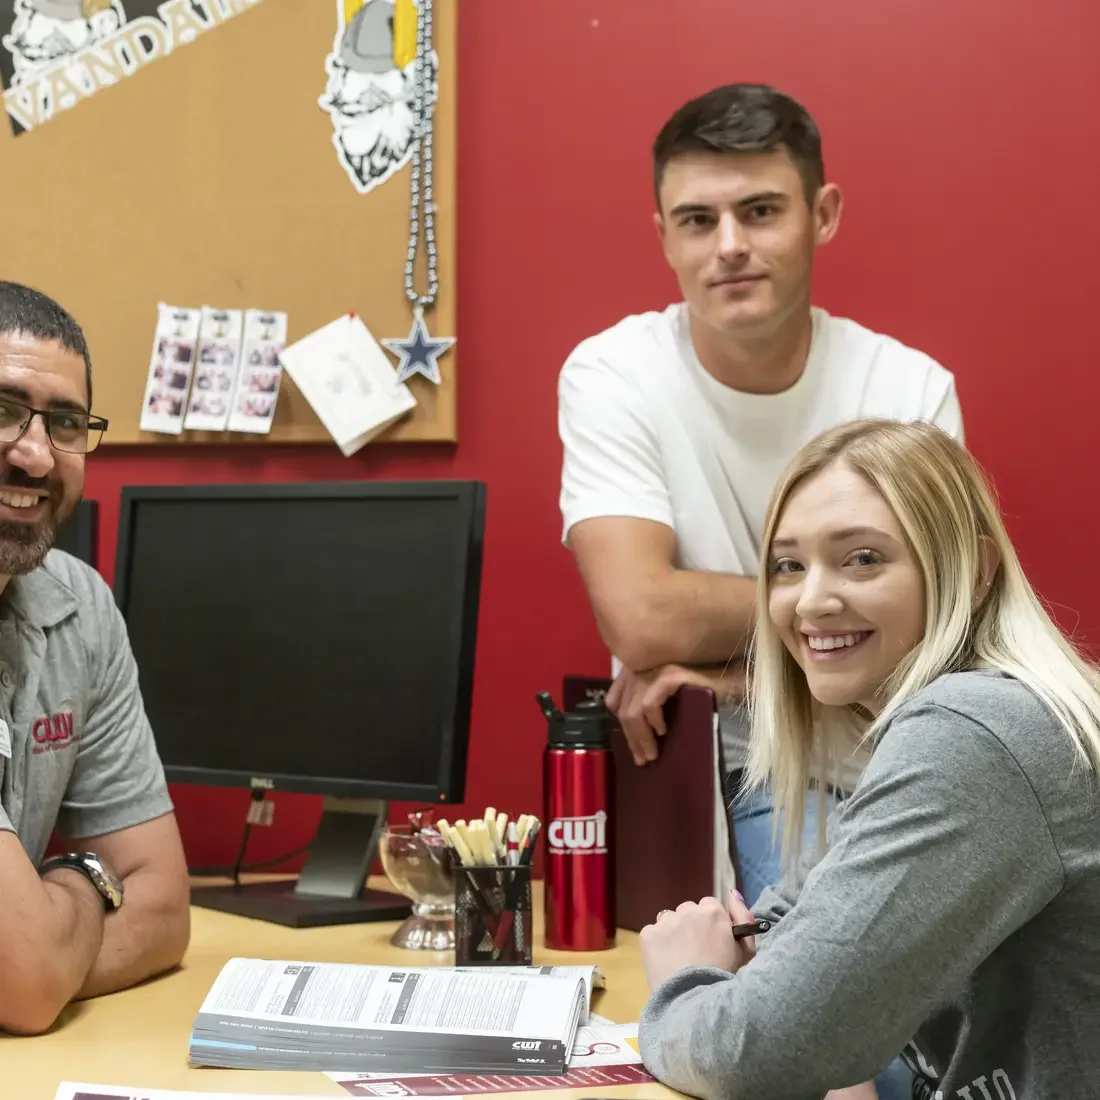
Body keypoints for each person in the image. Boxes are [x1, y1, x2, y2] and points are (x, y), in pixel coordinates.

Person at [557, 82, 964, 909]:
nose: (730, 246)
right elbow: (642, 617)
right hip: (724, 787)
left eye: (762, 211)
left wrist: (732, 679)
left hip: (895, 770)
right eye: (698, 220)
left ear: (824, 214)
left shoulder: (909, 388)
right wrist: (851, 603)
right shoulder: (614, 373)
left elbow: (938, 633)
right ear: (664, 236)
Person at [636, 418, 1100, 1099]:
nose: (812, 601)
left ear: (973, 573)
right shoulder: (968, 721)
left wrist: (682, 991)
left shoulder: (977, 733)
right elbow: (790, 926)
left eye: (862, 559)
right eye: (789, 566)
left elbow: (760, 1052)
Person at [0, 281, 190, 1035]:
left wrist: (44, 938)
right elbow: (27, 986)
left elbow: (166, 911)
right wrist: (87, 877)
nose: (38, 455)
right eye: (4, 410)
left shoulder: (76, 603)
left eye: (67, 424)